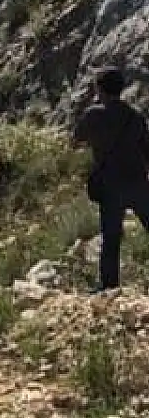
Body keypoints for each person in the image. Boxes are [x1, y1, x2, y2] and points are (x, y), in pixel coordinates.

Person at [73, 66, 149, 292]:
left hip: (110, 185)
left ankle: (109, 288)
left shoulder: (93, 115)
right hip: (137, 182)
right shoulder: (135, 116)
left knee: (111, 238)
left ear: (99, 89)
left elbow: (76, 139)